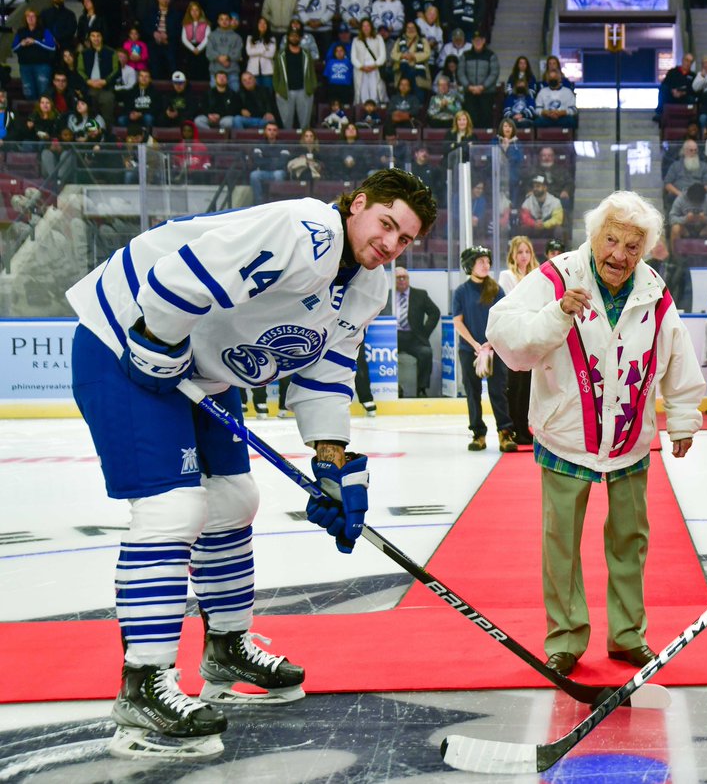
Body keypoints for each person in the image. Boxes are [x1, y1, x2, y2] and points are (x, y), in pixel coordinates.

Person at [64, 169, 437, 759]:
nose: (390, 244)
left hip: (199, 369)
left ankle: (226, 646)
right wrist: (156, 342)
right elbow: (179, 274)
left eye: (405, 239)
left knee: (235, 499)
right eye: (386, 224)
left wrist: (332, 465)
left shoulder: (368, 283)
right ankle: (142, 687)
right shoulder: (304, 230)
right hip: (123, 341)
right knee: (171, 509)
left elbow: (326, 374)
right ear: (357, 205)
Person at [486, 191, 705, 677]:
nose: (619, 255)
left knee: (631, 540)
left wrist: (684, 415)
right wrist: (557, 313)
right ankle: (565, 638)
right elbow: (504, 334)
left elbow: (677, 355)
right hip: (566, 435)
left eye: (632, 246)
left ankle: (628, 635)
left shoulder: (653, 288)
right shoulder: (557, 275)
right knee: (560, 543)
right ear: (593, 236)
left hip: (629, 439)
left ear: (645, 250)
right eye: (611, 240)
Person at [453, 246, 518, 452]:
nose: (486, 265)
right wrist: (474, 344)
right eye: (480, 261)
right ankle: (478, 433)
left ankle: (505, 432)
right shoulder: (461, 292)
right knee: (472, 392)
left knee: (498, 390)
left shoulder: (496, 289)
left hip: (494, 348)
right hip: (468, 349)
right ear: (469, 265)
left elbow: (503, 318)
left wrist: (490, 342)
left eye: (487, 261)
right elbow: (458, 321)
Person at [498, 236, 539, 444]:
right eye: (520, 252)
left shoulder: (536, 274)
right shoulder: (506, 276)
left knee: (527, 384)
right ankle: (514, 426)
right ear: (513, 254)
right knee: (514, 384)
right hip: (514, 333)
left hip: (531, 333)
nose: (524, 256)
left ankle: (524, 425)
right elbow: (509, 303)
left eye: (527, 252)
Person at [393, 266, 440, 398]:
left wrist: (425, 332)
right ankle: (394, 388)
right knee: (382, 354)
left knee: (426, 353)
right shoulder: (387, 294)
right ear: (393, 279)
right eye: (398, 277)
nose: (402, 280)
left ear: (408, 279)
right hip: (392, 336)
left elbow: (435, 313)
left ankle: (422, 389)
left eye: (405, 277)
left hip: (414, 337)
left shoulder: (420, 294)